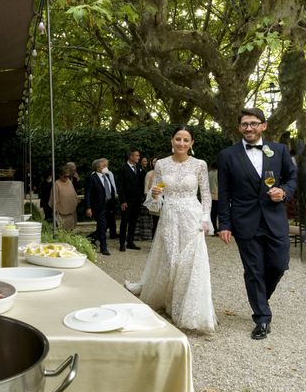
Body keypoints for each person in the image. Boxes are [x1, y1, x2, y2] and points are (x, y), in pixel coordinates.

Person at [125, 126, 217, 332]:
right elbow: (154, 196)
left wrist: (205, 219)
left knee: (190, 262)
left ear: (192, 143)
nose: (181, 143)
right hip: (169, 217)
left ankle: (188, 309)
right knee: (170, 259)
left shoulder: (199, 165)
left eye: (186, 140)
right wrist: (156, 194)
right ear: (172, 141)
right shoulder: (162, 165)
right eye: (178, 139)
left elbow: (206, 195)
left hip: (192, 217)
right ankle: (169, 301)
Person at [217, 108, 297, 340]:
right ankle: (262, 317)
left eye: (253, 123)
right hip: (245, 221)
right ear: (239, 128)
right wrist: (225, 224)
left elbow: (292, 178)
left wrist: (283, 192)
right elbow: (224, 193)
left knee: (279, 265)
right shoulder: (227, 155)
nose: (249, 128)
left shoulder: (279, 151)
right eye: (244, 124)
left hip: (274, 219)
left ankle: (260, 298)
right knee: (254, 270)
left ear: (263, 126)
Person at [85, 158, 116, 255]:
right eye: (104, 166)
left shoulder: (106, 176)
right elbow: (88, 194)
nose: (106, 168)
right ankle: (104, 247)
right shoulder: (92, 177)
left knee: (106, 225)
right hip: (98, 206)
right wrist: (88, 207)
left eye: (106, 165)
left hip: (109, 205)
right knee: (102, 226)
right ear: (98, 168)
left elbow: (111, 189)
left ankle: (91, 238)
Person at [116, 148, 145, 251]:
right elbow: (120, 186)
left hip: (137, 200)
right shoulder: (123, 168)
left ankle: (130, 242)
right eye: (137, 156)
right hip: (127, 200)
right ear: (130, 157)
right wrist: (122, 201)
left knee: (133, 221)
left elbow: (141, 183)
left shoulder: (139, 168)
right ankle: (122, 243)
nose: (139, 157)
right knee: (124, 221)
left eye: (138, 156)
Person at [49, 165, 79, 230]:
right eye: (65, 176)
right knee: (62, 230)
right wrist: (55, 209)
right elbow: (54, 198)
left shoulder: (69, 182)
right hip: (61, 213)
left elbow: (74, 195)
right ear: (60, 175)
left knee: (71, 230)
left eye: (68, 176)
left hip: (71, 212)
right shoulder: (56, 184)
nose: (67, 178)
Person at [143, 156, 161, 235]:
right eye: (154, 162)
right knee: (155, 221)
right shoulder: (149, 174)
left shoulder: (166, 173)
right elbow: (147, 188)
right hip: (154, 199)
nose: (155, 164)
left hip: (165, 200)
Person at [208, 161, 219, 235]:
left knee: (213, 214)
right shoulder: (219, 173)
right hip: (218, 196)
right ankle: (221, 229)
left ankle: (214, 229)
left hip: (210, 196)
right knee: (220, 214)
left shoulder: (208, 173)